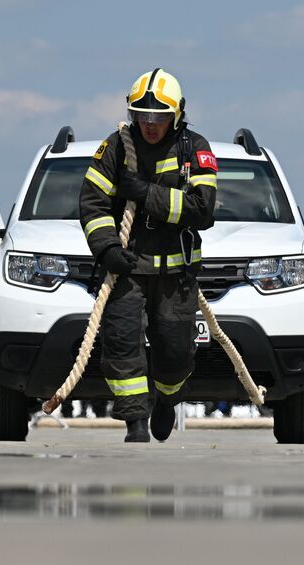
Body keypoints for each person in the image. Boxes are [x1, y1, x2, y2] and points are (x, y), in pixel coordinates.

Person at [79, 68, 219, 443]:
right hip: (128, 269)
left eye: (158, 116)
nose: (150, 124)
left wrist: (146, 193)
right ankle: (135, 423)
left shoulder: (195, 149)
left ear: (177, 114)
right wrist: (108, 247)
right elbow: (92, 204)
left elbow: (202, 211)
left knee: (174, 353)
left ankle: (166, 401)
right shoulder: (116, 148)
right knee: (122, 342)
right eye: (142, 115)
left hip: (176, 275)